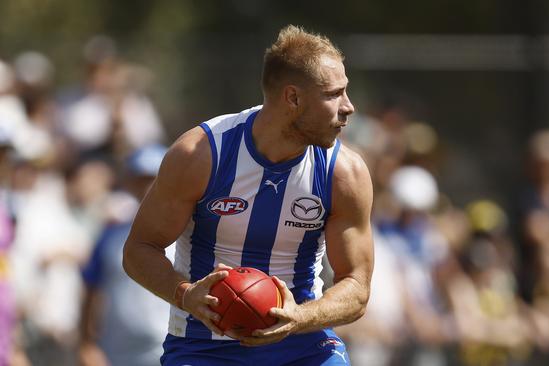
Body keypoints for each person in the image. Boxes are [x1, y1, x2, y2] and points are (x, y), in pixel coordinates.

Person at [122, 25, 374, 366]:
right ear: (293, 98)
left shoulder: (345, 173)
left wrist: (299, 317)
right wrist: (185, 295)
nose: (349, 107)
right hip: (202, 347)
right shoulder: (201, 155)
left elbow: (357, 288)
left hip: (302, 347)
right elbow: (139, 249)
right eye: (334, 94)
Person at [78, 144, 172, 366]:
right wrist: (86, 344)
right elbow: (91, 290)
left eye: (153, 178)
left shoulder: (189, 235)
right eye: (140, 179)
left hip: (170, 350)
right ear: (129, 183)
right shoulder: (110, 235)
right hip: (117, 354)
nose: (147, 186)